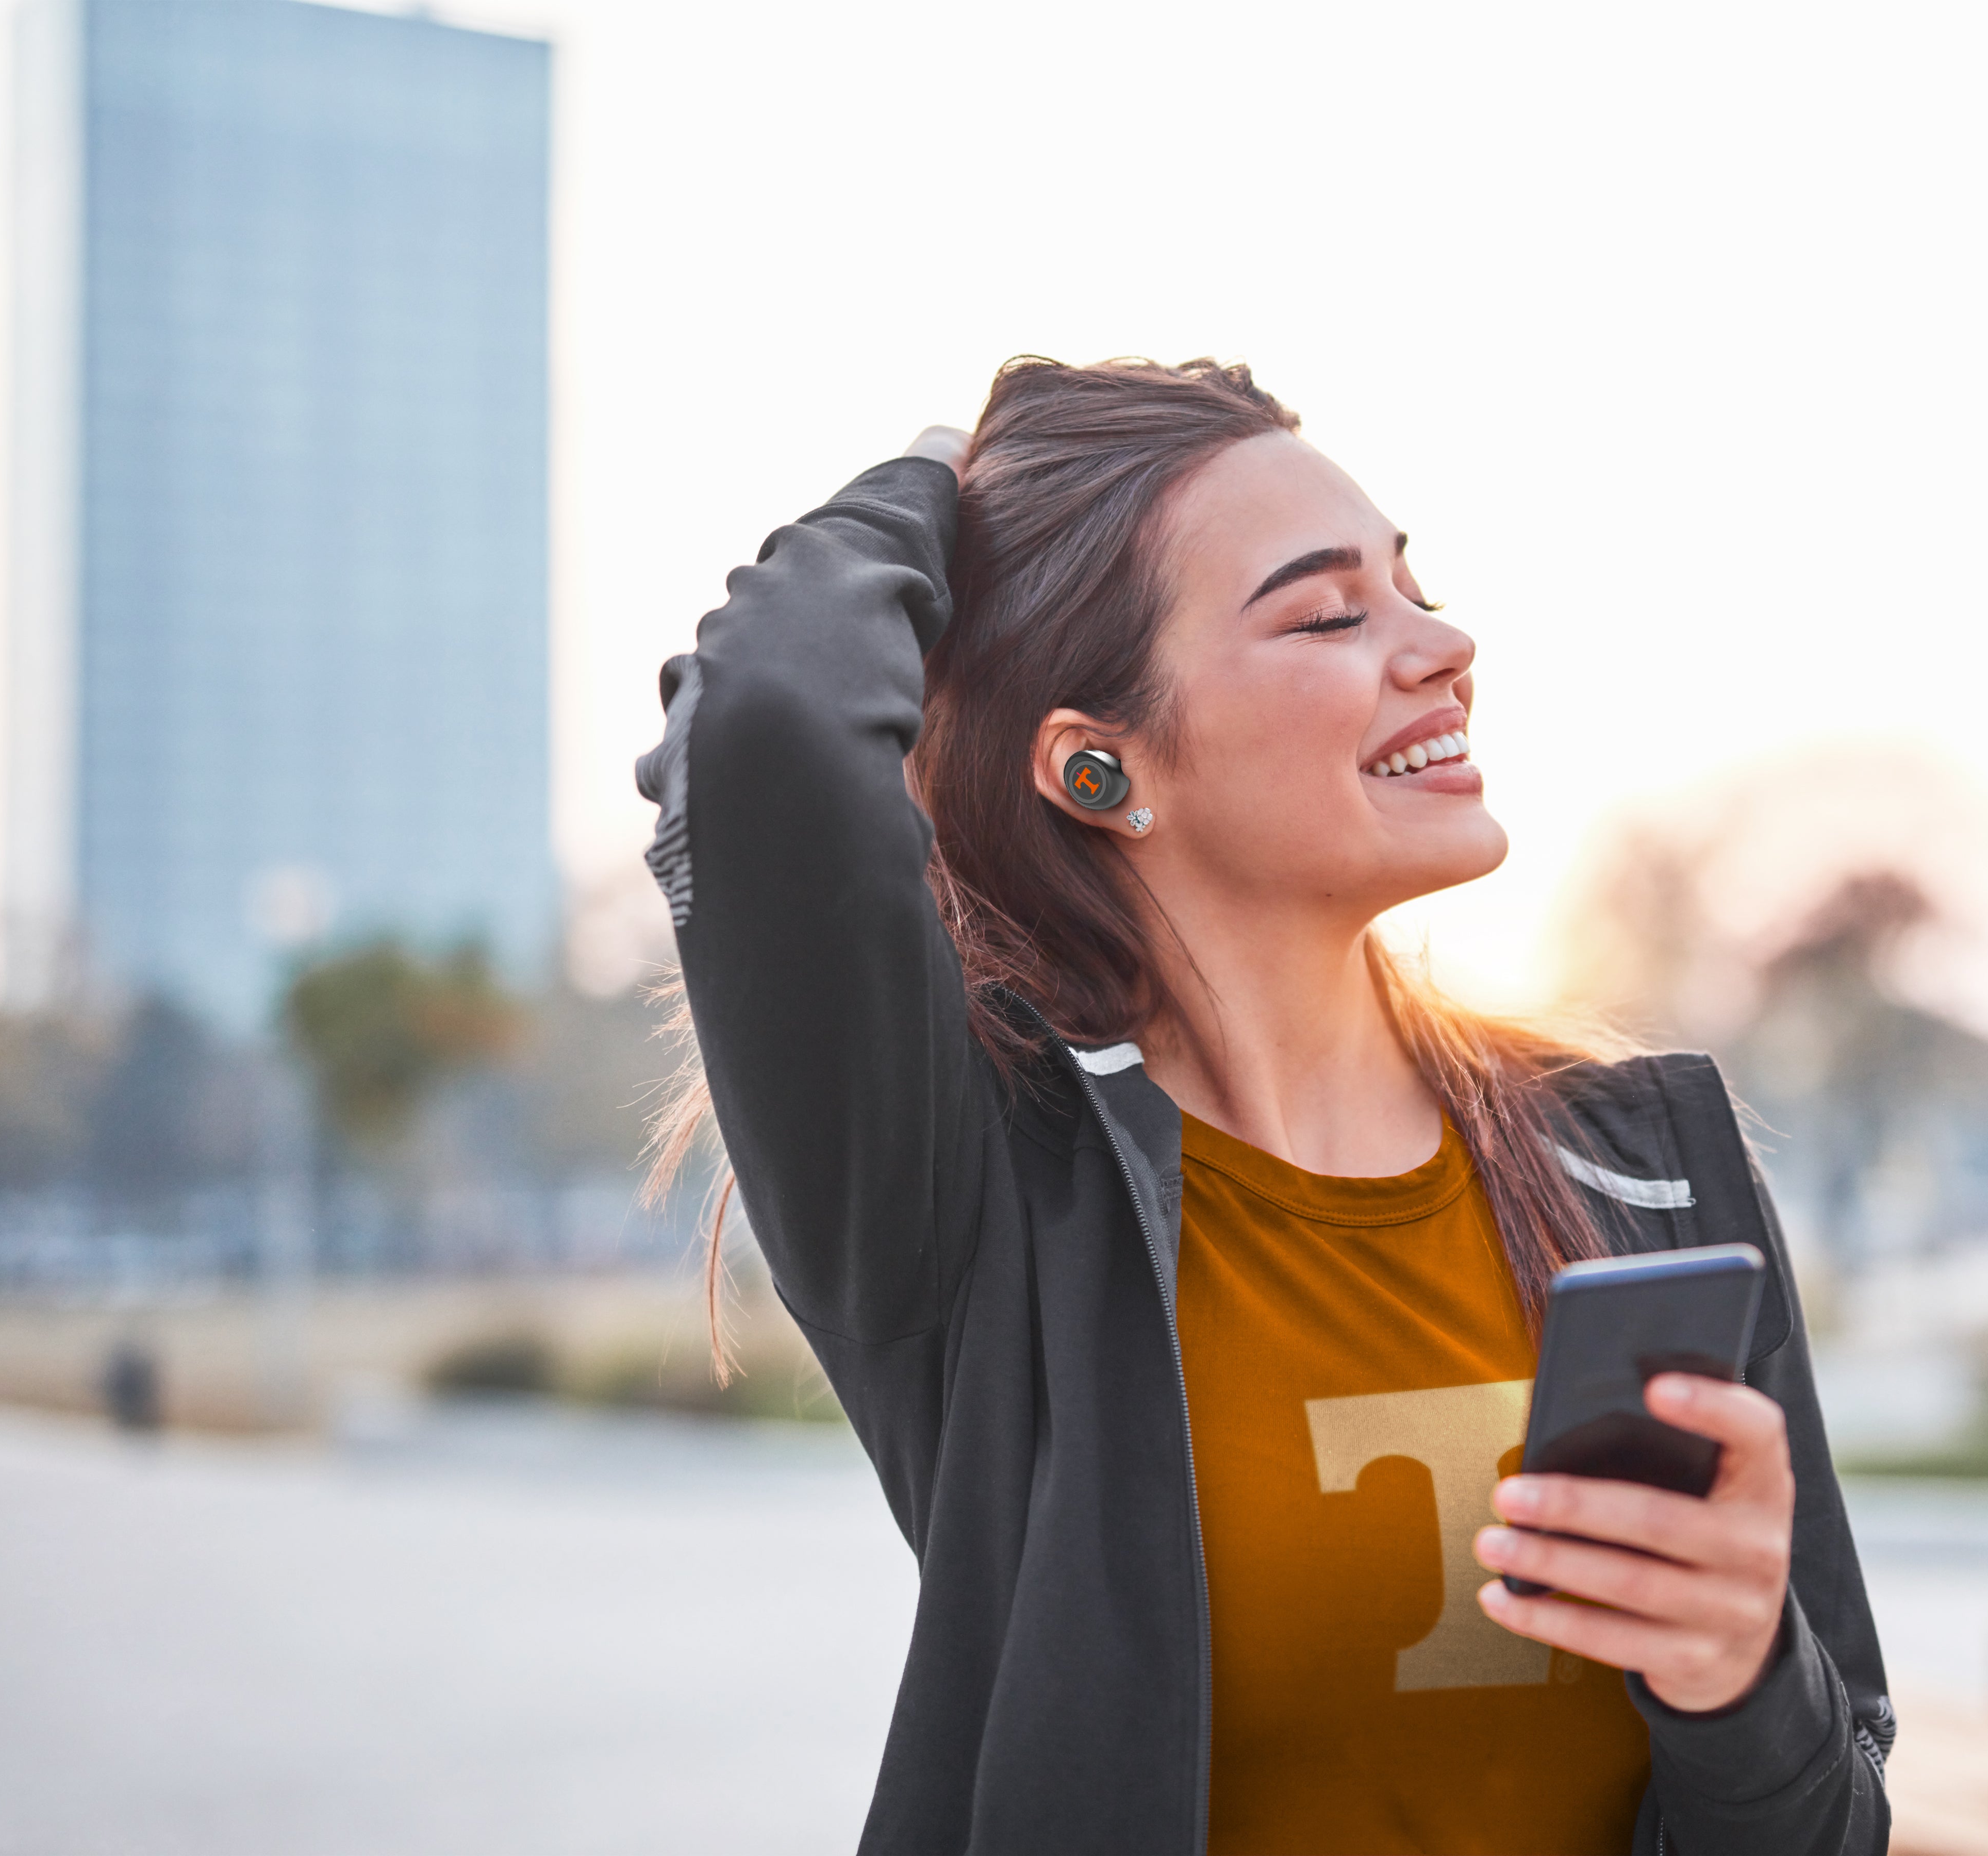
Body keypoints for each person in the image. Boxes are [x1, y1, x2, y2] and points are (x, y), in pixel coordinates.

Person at [640, 358, 1892, 1854]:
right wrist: (950, 468)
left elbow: (1832, 1826)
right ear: (1098, 766)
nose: (1443, 644)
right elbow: (768, 719)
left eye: (1414, 585)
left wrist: (1741, 1679)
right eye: (1330, 612)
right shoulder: (978, 1199)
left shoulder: (1640, 1165)